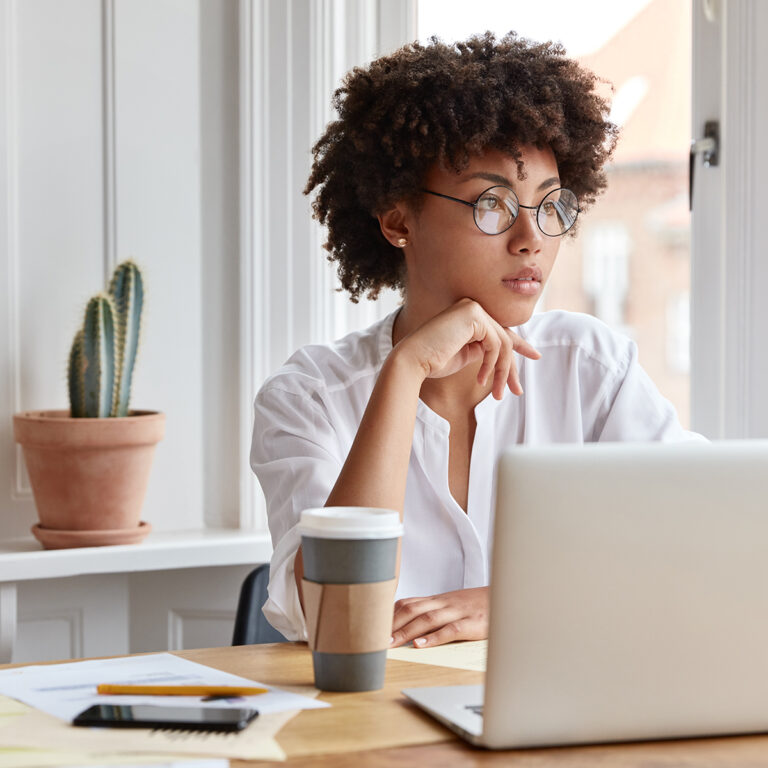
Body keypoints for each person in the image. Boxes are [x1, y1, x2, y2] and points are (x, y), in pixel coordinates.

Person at [250, 32, 703, 648]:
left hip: (553, 716)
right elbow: (336, 616)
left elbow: (701, 541)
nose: (530, 238)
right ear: (398, 221)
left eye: (549, 205)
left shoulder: (591, 369)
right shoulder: (309, 398)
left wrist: (522, 602)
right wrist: (405, 371)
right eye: (491, 204)